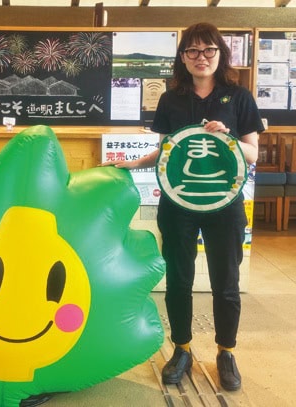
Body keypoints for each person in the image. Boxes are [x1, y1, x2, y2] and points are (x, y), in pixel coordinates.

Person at [103, 22, 264, 391]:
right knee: (179, 279)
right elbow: (167, 151)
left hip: (225, 203)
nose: (201, 57)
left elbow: (253, 154)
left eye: (208, 50)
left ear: (220, 54)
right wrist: (134, 162)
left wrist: (230, 138)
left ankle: (226, 351)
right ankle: (182, 348)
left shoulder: (238, 97)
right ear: (182, 58)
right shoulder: (171, 99)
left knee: (226, 282)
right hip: (178, 204)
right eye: (192, 51)